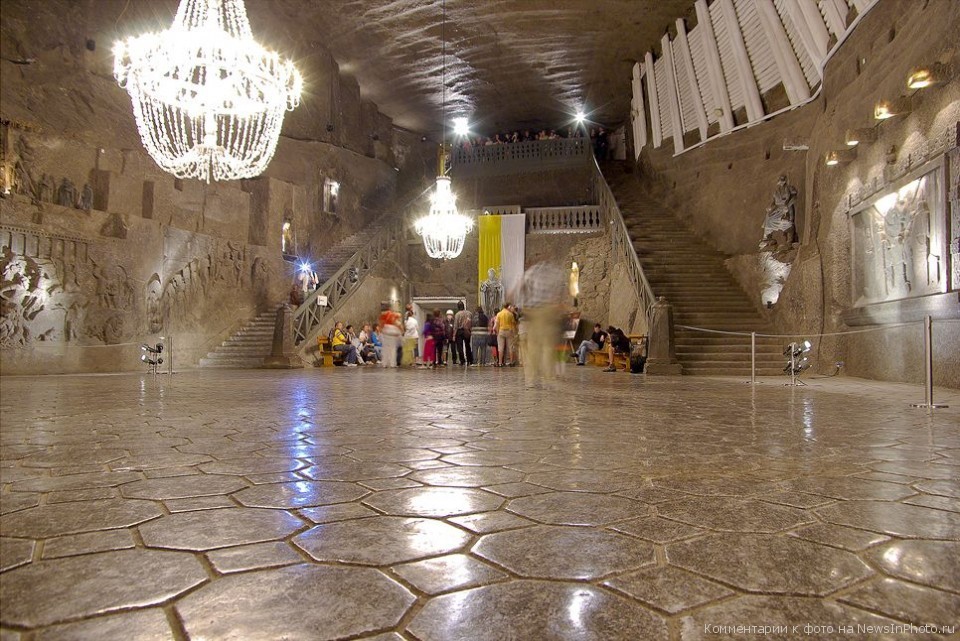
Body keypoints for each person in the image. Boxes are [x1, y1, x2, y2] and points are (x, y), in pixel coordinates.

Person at [519, 261, 567, 387]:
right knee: (548, 347)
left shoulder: (531, 272)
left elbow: (522, 288)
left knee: (533, 347)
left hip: (534, 311)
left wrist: (524, 305)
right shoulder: (557, 272)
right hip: (550, 312)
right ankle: (547, 379)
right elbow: (562, 292)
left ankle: (531, 379)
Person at [378, 302, 403, 368]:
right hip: (392, 332)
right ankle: (392, 364)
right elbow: (397, 323)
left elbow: (381, 324)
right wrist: (401, 330)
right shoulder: (392, 314)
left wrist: (380, 332)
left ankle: (385, 363)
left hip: (385, 332)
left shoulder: (382, 315)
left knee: (385, 349)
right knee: (392, 349)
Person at [453, 301, 473, 366]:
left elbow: (456, 326)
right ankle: (470, 360)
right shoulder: (469, 313)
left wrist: (454, 335)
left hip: (460, 331)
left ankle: (462, 360)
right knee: (468, 345)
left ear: (458, 307)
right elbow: (471, 323)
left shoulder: (457, 314)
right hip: (467, 331)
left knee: (460, 347)